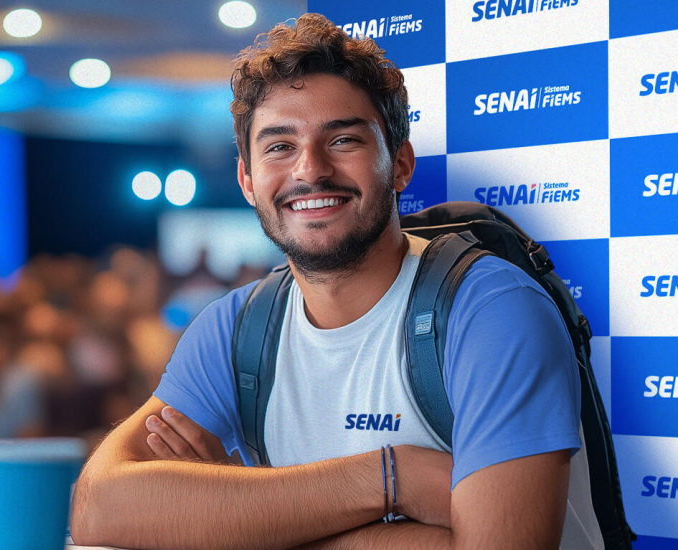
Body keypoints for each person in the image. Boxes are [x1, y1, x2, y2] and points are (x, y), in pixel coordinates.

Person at [70, 13, 603, 549]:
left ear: (399, 165)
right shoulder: (235, 327)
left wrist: (242, 519)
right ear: (248, 181)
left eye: (344, 139)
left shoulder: (489, 309)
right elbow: (99, 507)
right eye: (279, 146)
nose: (310, 170)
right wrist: (393, 477)